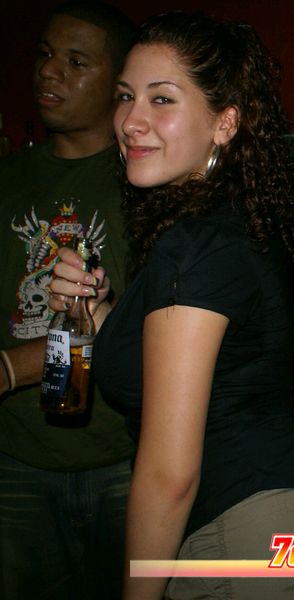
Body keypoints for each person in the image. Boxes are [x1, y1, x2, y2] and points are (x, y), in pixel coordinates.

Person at [51, 11, 294, 599]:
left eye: (161, 99)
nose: (131, 121)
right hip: (271, 534)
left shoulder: (196, 244)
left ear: (225, 123)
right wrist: (99, 313)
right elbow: (220, 373)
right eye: (125, 96)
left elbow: (169, 474)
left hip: (248, 541)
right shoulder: (217, 229)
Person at [0, 3, 135, 598]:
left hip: (125, 458)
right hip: (16, 460)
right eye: (45, 55)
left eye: (77, 62)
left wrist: (10, 368)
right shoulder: (8, 179)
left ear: (119, 81)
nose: (49, 71)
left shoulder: (146, 182)